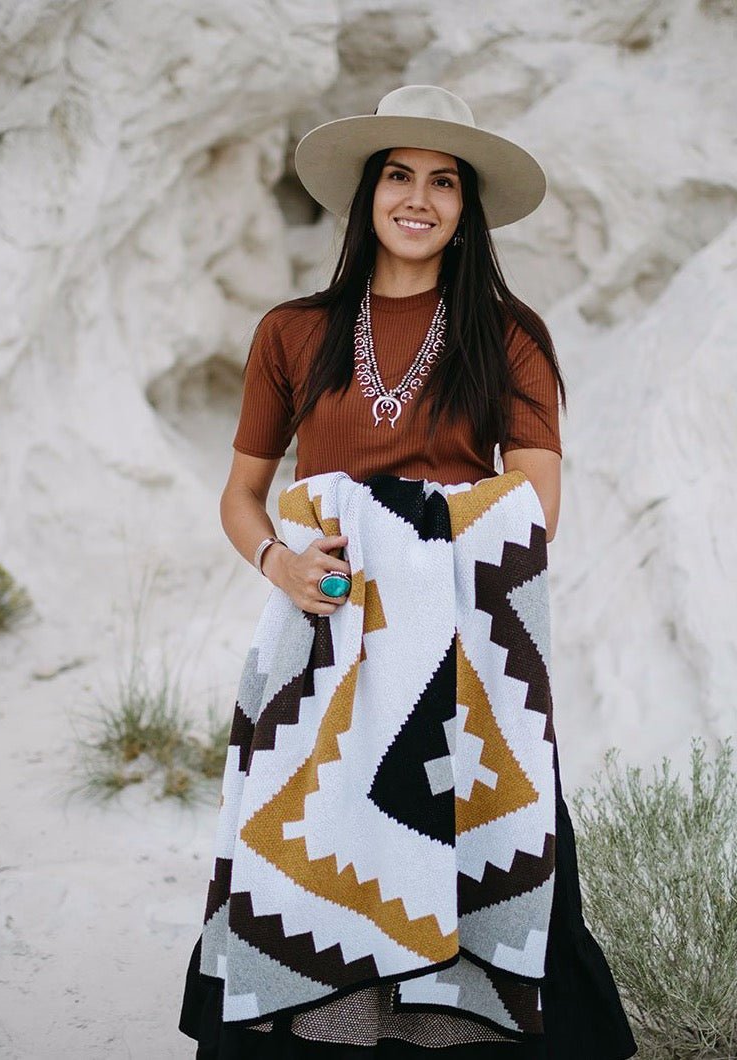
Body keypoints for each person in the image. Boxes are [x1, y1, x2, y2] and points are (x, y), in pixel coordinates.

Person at [179, 85, 638, 1059]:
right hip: (319, 649)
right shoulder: (291, 333)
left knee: (493, 857)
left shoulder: (507, 334)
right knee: (309, 863)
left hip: (466, 657)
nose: (417, 197)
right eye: (398, 175)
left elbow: (537, 503)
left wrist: (412, 542)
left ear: (467, 208)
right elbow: (241, 495)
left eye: (442, 180)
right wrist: (280, 562)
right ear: (367, 194)